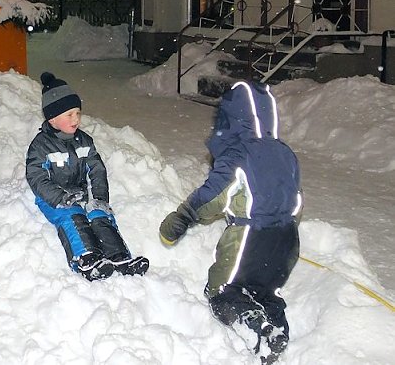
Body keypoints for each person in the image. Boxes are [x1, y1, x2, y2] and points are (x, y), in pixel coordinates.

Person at [159, 80, 302, 364]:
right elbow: (296, 200)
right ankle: (277, 329)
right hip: (286, 240)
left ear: (231, 118)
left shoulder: (238, 154)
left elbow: (212, 197)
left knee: (222, 291)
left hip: (249, 240)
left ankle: (258, 330)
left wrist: (182, 217)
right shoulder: (285, 152)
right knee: (266, 290)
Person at [25, 72, 149, 281]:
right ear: (53, 118)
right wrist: (60, 198)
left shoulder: (84, 141)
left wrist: (99, 197)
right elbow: (36, 177)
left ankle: (118, 256)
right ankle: (86, 258)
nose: (76, 119)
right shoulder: (41, 146)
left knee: (98, 214)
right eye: (69, 115)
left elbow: (97, 169)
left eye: (78, 113)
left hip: (80, 193)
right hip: (52, 199)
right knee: (73, 216)